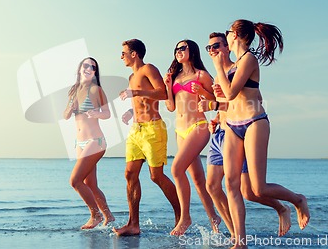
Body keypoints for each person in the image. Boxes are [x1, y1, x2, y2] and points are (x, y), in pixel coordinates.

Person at [211, 20, 310, 248]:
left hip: (255, 123)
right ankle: (240, 242)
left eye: (227, 32)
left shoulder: (249, 60)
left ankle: (298, 199)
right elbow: (232, 96)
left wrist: (218, 69)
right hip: (232, 127)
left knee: (258, 188)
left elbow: (233, 92)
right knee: (232, 185)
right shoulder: (236, 64)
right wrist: (219, 95)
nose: (225, 35)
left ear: (234, 35)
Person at [199, 32, 292, 239]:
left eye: (216, 46)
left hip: (244, 128)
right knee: (214, 186)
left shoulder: (241, 65)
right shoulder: (221, 74)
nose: (212, 51)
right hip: (223, 131)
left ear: (227, 46)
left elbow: (244, 100)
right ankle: (236, 237)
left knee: (251, 191)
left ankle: (283, 207)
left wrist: (215, 103)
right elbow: (230, 105)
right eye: (209, 48)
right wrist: (216, 116)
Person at [113, 39, 181, 236]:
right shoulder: (131, 76)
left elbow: (162, 93)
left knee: (155, 176)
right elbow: (141, 102)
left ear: (134, 54)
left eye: (124, 52)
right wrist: (130, 113)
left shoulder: (148, 69)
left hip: (153, 128)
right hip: (136, 130)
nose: (121, 56)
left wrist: (135, 92)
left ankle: (181, 217)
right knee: (129, 174)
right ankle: (133, 224)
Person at [163, 39, 221, 236]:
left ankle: (185, 217)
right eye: (176, 48)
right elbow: (170, 107)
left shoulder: (201, 75)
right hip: (180, 131)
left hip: (198, 126)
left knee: (176, 169)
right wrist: (168, 86)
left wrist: (203, 91)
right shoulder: (175, 76)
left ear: (192, 51)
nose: (178, 51)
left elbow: (218, 98)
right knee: (197, 179)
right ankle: (214, 218)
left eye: (182, 48)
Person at [63, 57, 115, 229]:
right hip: (80, 143)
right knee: (90, 184)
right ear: (80, 69)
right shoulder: (73, 90)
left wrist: (96, 113)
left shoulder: (96, 89)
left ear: (95, 72)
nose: (89, 68)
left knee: (75, 181)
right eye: (86, 65)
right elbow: (65, 116)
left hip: (96, 141)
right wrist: (70, 107)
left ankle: (96, 215)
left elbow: (107, 113)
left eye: (93, 67)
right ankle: (109, 217)